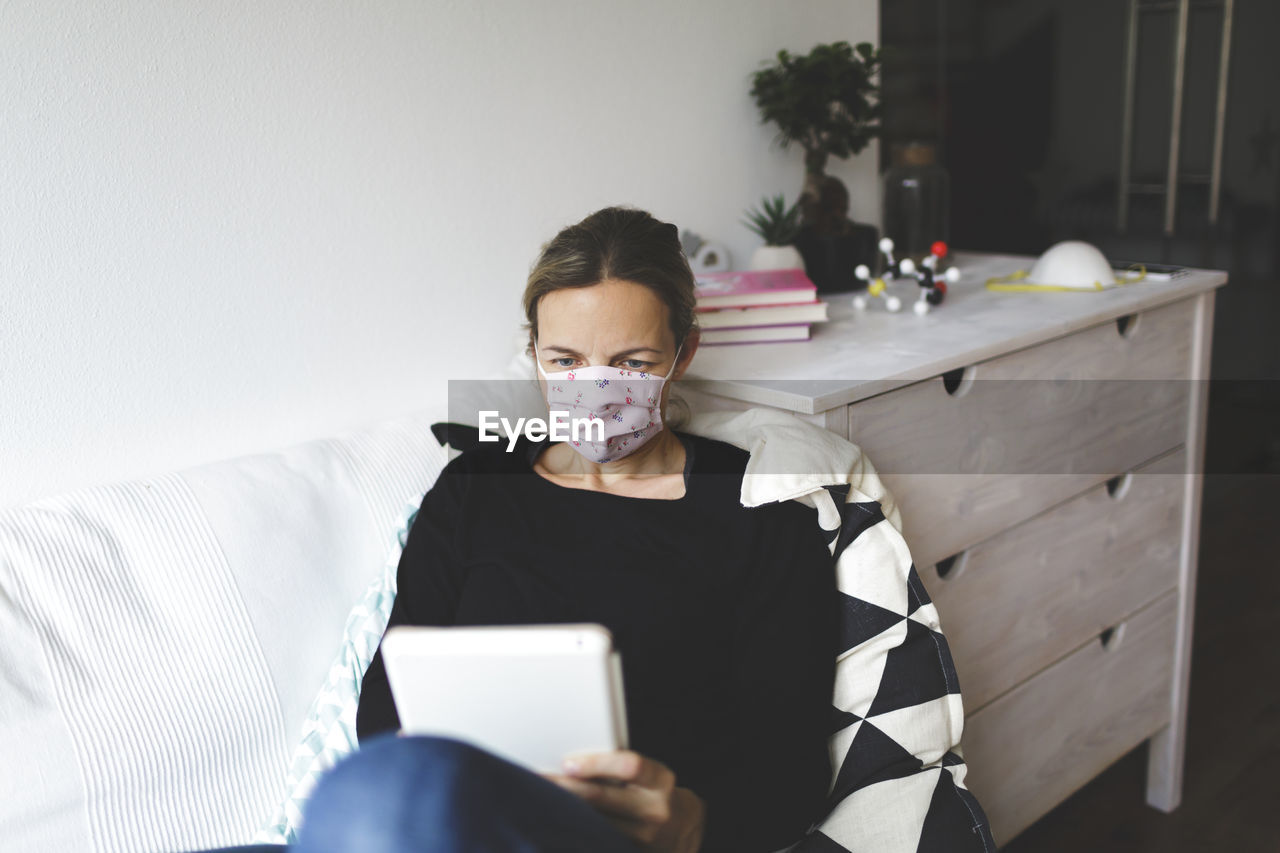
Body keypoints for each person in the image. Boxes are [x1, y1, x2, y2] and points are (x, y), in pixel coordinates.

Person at [201, 205, 840, 853]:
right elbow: (386, 711)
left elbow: (789, 774)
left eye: (632, 363)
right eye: (565, 361)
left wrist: (694, 819)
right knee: (376, 798)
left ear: (683, 352)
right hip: (440, 813)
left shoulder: (760, 512)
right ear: (532, 353)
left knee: (375, 806)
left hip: (612, 838)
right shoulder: (474, 491)